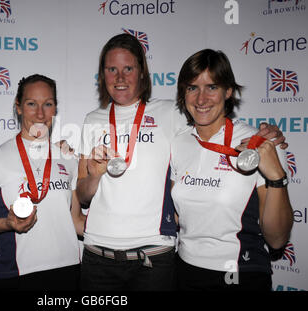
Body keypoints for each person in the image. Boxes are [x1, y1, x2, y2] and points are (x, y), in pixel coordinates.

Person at [76, 33, 287, 291]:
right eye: (112, 69)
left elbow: (214, 123)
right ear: (102, 74)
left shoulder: (172, 114)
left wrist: (267, 136)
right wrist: (95, 176)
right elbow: (83, 196)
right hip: (102, 257)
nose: (120, 77)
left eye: (128, 68)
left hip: (156, 258)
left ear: (142, 72)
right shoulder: (92, 120)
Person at [171, 49, 293, 290]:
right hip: (184, 268)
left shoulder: (259, 143)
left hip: (239, 272)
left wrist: (277, 177)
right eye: (192, 88)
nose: (201, 99)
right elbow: (178, 216)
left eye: (212, 87)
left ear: (228, 91)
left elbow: (277, 240)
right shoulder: (179, 141)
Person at [0, 74, 85, 291]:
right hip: (16, 276)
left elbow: (76, 221)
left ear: (55, 109)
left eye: (48, 104)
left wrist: (119, 230)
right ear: (18, 107)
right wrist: (7, 224)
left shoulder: (69, 159)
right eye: (31, 104)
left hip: (68, 271)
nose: (40, 114)